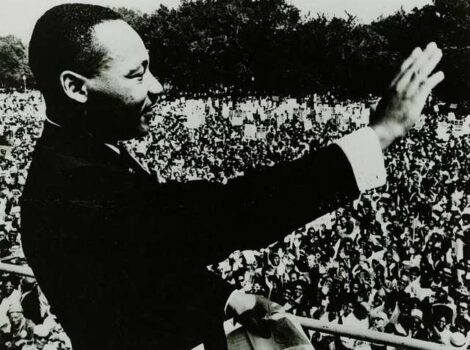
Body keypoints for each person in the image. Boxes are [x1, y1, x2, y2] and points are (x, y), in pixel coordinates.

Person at [20, 3, 444, 350]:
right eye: (136, 74)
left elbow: (145, 262)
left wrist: (227, 297)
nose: (158, 86)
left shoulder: (83, 156)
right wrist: (380, 134)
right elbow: (232, 211)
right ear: (76, 87)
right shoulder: (75, 185)